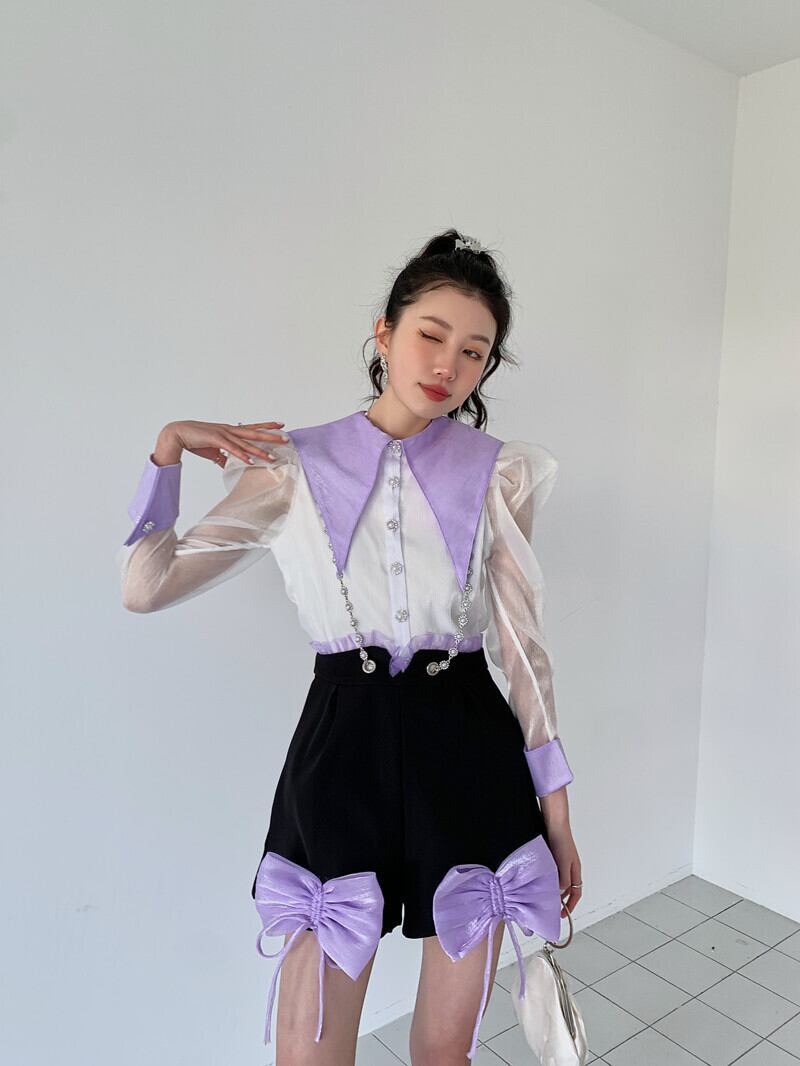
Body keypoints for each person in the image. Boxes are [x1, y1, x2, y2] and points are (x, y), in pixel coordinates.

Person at [118, 228, 583, 1065]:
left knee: (444, 1052)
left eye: (474, 352)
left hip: (470, 749)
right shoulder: (289, 468)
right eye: (431, 334)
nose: (447, 364)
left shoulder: (499, 472)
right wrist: (168, 450)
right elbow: (145, 588)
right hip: (342, 749)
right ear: (385, 333)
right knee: (310, 1053)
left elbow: (524, 648)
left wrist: (557, 814)